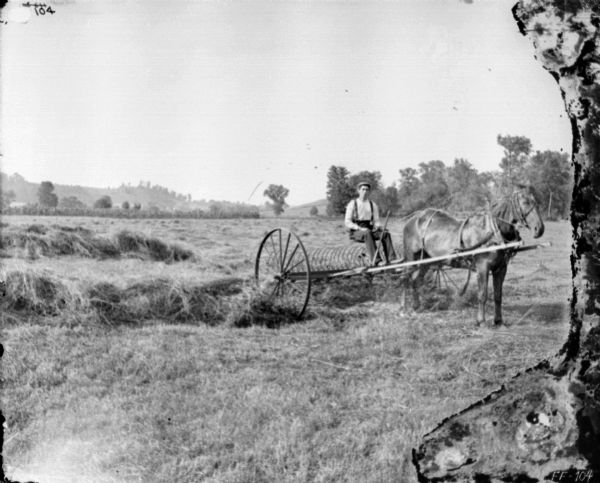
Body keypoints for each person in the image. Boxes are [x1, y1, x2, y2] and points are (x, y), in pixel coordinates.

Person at [344, 181, 397, 265]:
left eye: (367, 190)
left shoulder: (373, 204)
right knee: (367, 233)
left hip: (369, 229)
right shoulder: (352, 204)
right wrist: (359, 228)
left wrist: (380, 227)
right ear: (359, 191)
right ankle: (377, 260)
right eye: (363, 189)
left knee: (385, 234)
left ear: (369, 192)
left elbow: (376, 221)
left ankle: (392, 259)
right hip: (356, 231)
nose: (365, 191)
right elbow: (347, 222)